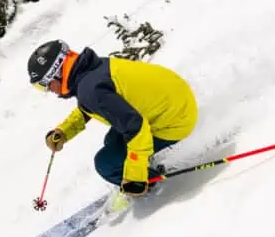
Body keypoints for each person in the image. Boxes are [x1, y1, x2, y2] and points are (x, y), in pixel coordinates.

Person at [28, 39, 198, 197]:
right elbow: (91, 107)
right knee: (112, 141)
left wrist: (135, 177)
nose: (48, 90)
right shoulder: (92, 71)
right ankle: (142, 166)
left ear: (56, 73)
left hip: (174, 120)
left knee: (106, 164)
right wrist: (64, 131)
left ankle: (149, 184)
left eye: (45, 84)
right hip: (176, 101)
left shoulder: (90, 89)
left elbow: (136, 128)